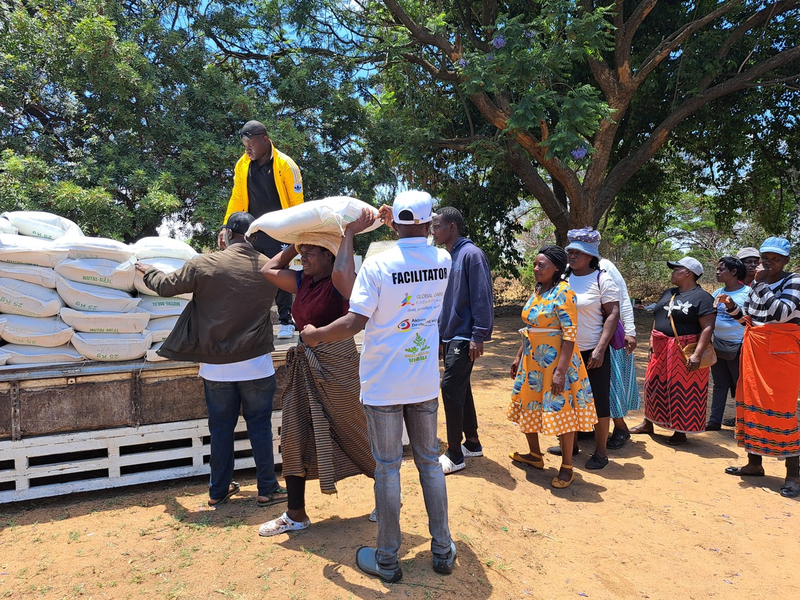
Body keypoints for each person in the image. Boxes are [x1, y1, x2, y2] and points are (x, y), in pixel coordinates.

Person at [301, 191, 456, 583]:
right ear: (428, 223)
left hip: (384, 383)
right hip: (422, 382)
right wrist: (398, 224)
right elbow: (415, 242)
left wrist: (316, 336)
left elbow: (355, 322)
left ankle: (387, 559)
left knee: (388, 469)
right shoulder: (443, 260)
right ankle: (442, 550)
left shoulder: (377, 265)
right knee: (429, 464)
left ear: (399, 223)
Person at [136, 212, 286, 507]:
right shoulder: (269, 268)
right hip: (256, 364)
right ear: (253, 236)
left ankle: (218, 490)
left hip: (217, 369)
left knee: (220, 429)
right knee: (259, 426)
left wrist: (149, 271)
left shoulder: (205, 264)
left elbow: (165, 286)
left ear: (226, 234)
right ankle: (267, 488)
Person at [256, 210, 376, 536]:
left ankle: (387, 494)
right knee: (293, 432)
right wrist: (298, 244)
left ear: (329, 255)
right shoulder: (302, 280)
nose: (304, 256)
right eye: (303, 251)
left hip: (337, 362)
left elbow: (341, 271)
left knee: (356, 429)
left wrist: (346, 235)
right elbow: (269, 268)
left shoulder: (339, 284)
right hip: (305, 362)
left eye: (313, 251)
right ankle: (296, 514)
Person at [508, 245, 597, 489]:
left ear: (556, 267)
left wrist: (560, 371)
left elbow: (569, 335)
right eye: (535, 265)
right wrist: (518, 356)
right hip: (532, 361)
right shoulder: (538, 291)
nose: (536, 269)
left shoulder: (564, 292)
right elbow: (530, 329)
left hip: (558, 363)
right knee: (529, 403)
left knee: (562, 411)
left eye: (542, 265)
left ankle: (567, 466)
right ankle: (535, 455)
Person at [718, 237, 800, 498]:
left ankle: (794, 475)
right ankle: (754, 464)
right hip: (755, 351)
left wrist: (761, 284)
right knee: (749, 403)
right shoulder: (757, 285)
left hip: (783, 354)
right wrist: (733, 309)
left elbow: (782, 313)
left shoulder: (793, 281)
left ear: (786, 260)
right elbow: (750, 320)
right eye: (765, 257)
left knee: (782, 408)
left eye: (775, 258)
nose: (768, 262)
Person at [219, 120, 304, 340]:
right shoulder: (242, 165)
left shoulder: (286, 165)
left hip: (281, 229)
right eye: (244, 145)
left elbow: (297, 203)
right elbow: (237, 197)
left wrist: (297, 233)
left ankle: (286, 320)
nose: (247, 149)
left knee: (280, 272)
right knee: (253, 274)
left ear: (265, 140)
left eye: (251, 145)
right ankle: (255, 322)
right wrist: (226, 225)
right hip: (254, 230)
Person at [431, 207, 494, 474]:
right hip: (449, 334)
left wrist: (478, 335)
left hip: (464, 335)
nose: (433, 231)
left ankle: (455, 453)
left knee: (450, 387)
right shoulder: (448, 256)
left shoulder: (472, 254)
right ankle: (472, 442)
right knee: (460, 386)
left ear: (452, 227)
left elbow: (482, 297)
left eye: (437, 226)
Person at [553, 227, 620, 470]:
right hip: (565, 353)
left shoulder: (602, 279)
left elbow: (613, 314)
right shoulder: (561, 279)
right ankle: (571, 445)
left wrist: (601, 349)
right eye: (570, 251)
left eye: (578, 252)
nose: (572, 255)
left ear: (591, 256)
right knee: (566, 400)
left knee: (599, 402)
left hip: (591, 351)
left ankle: (601, 451)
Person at [630, 257, 715, 445]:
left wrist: (697, 355)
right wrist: (653, 338)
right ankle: (648, 422)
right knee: (653, 383)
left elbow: (708, 327)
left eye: (677, 269)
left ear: (688, 273)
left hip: (684, 348)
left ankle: (680, 430)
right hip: (661, 346)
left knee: (681, 388)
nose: (672, 272)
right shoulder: (669, 293)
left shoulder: (702, 298)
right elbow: (659, 315)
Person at [599, 257, 641, 449]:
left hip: (611, 335)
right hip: (584, 335)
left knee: (612, 383)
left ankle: (620, 427)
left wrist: (630, 332)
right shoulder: (570, 270)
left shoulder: (605, 267)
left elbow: (622, 298)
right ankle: (591, 428)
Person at [706, 257, 748, 431]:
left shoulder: (747, 293)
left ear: (733, 272)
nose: (717, 272)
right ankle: (715, 421)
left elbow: (747, 321)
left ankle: (743, 423)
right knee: (720, 383)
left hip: (739, 346)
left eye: (721, 269)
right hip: (718, 345)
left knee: (740, 385)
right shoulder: (717, 293)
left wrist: (731, 305)